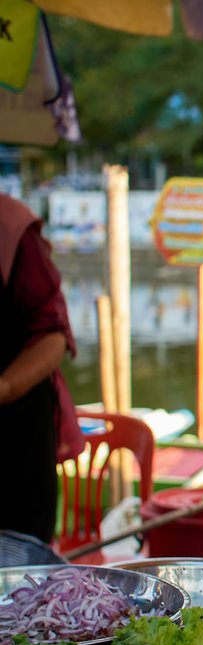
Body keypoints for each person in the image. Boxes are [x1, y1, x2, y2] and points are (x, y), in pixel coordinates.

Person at [0, 194, 84, 543]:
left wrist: (5, 386)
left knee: (19, 563)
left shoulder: (10, 227)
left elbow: (53, 336)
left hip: (14, 442)